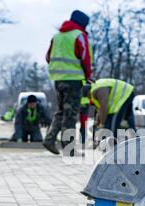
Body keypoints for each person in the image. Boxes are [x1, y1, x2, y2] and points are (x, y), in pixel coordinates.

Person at [43, 10, 93, 155]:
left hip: (58, 79)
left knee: (61, 112)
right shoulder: (79, 35)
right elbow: (85, 58)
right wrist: (87, 74)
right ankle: (69, 148)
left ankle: (50, 139)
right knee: (70, 114)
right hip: (73, 80)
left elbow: (48, 57)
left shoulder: (56, 36)